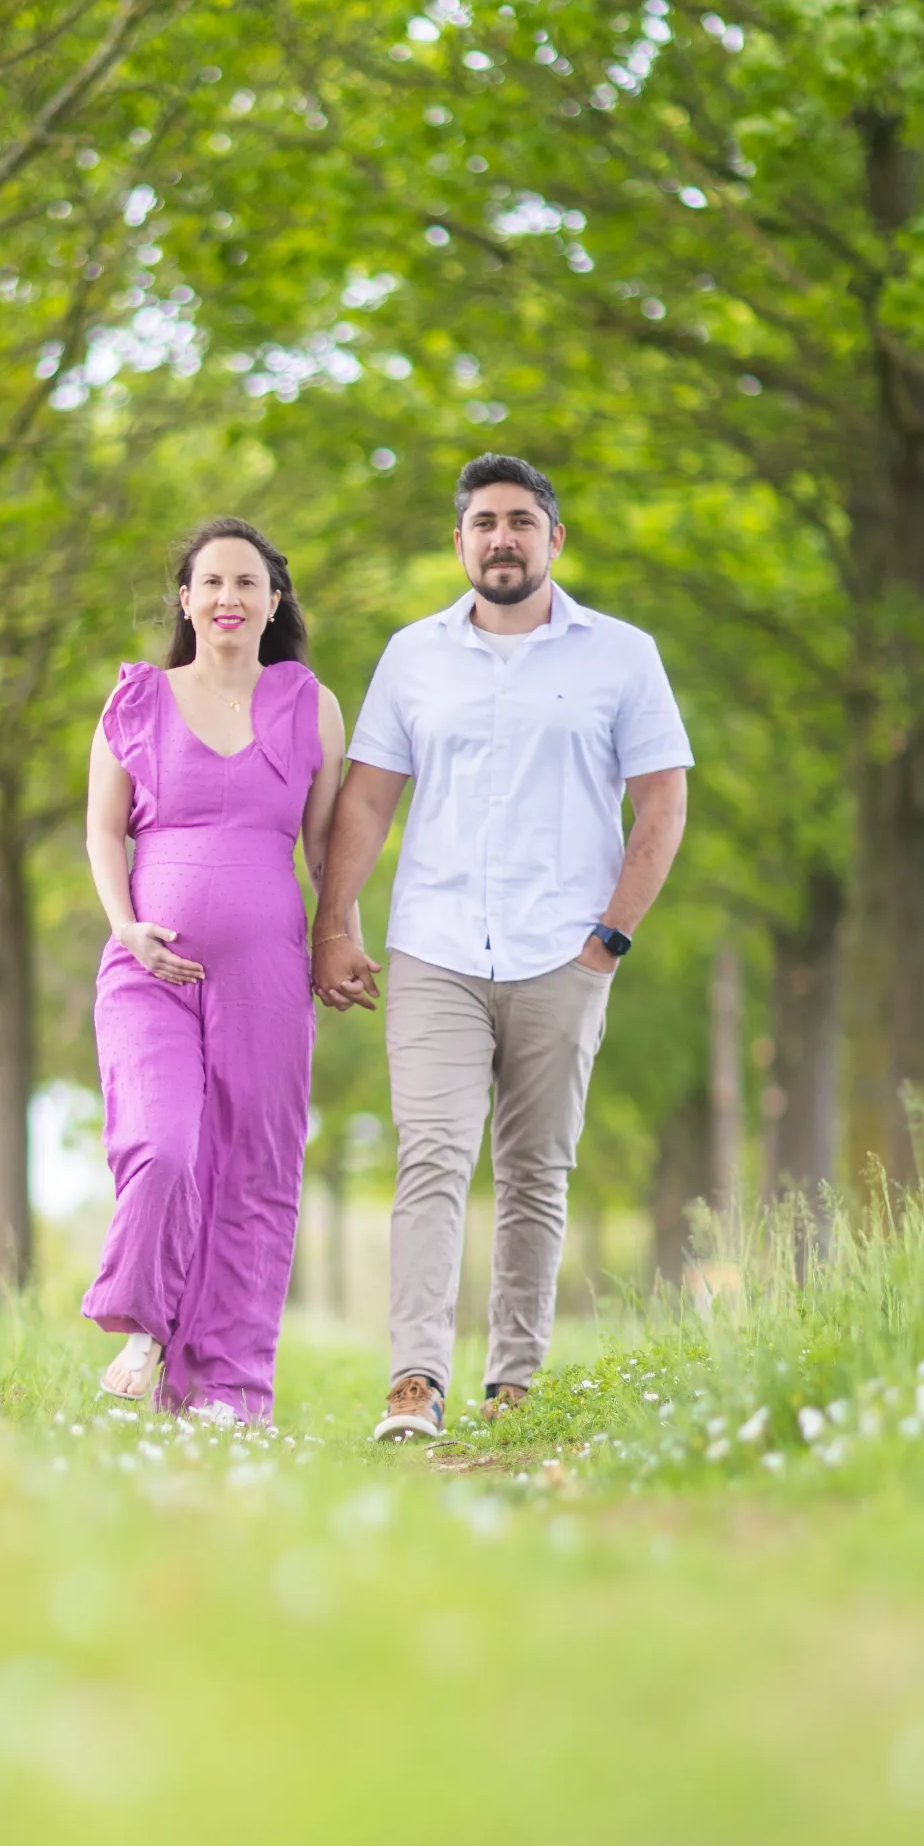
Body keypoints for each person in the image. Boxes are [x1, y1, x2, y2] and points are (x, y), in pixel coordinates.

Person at [312, 455, 691, 1442]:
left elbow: (662, 799)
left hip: (565, 951)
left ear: (554, 539)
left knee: (535, 1171)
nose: (503, 537)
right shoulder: (413, 656)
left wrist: (611, 936)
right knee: (430, 1159)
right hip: (436, 946)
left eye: (522, 520)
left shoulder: (621, 655)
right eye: (484, 522)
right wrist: (336, 920)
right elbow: (365, 798)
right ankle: (414, 1384)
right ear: (461, 543)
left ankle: (513, 1382)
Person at [82, 518, 351, 1420]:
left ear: (274, 603)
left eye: (249, 583)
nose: (230, 597)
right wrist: (127, 928)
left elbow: (324, 846)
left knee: (255, 1170)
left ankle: (229, 1390)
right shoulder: (137, 701)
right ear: (186, 601)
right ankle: (145, 1321)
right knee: (165, 1146)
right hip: (149, 969)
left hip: (268, 972)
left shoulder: (310, 704)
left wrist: (337, 940)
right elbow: (100, 832)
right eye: (213, 583)